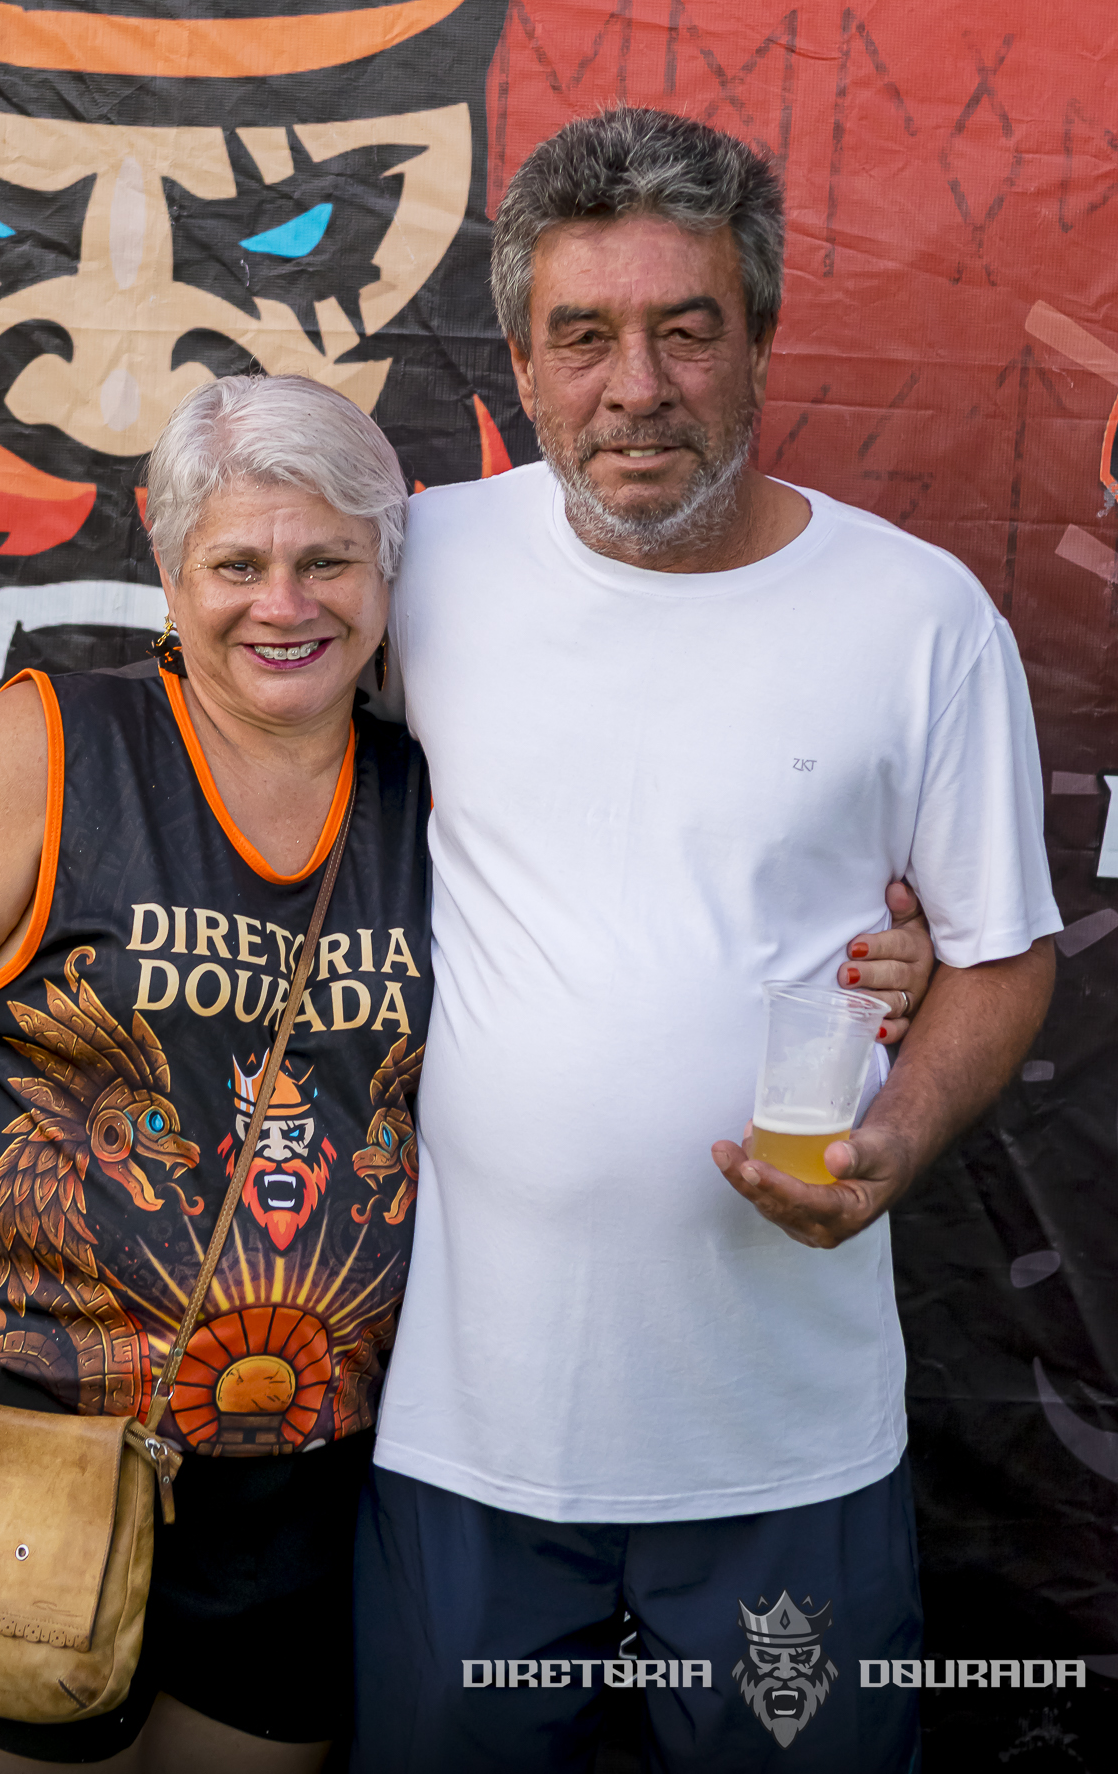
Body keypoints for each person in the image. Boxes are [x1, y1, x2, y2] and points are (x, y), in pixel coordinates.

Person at [0, 369, 930, 1771]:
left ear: (388, 568)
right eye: (236, 565)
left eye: (327, 561)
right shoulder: (52, 750)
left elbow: (662, 934)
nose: (283, 604)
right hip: (30, 1439)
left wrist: (877, 956)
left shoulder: (443, 792)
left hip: (303, 1477)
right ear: (167, 565)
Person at [350, 108, 1061, 1774]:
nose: (636, 388)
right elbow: (236, 757)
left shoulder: (917, 618)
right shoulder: (417, 565)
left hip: (780, 1443)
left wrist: (892, 1139)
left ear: (757, 341)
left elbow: (1000, 953)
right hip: (469, 1439)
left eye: (685, 331)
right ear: (520, 362)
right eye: (583, 338)